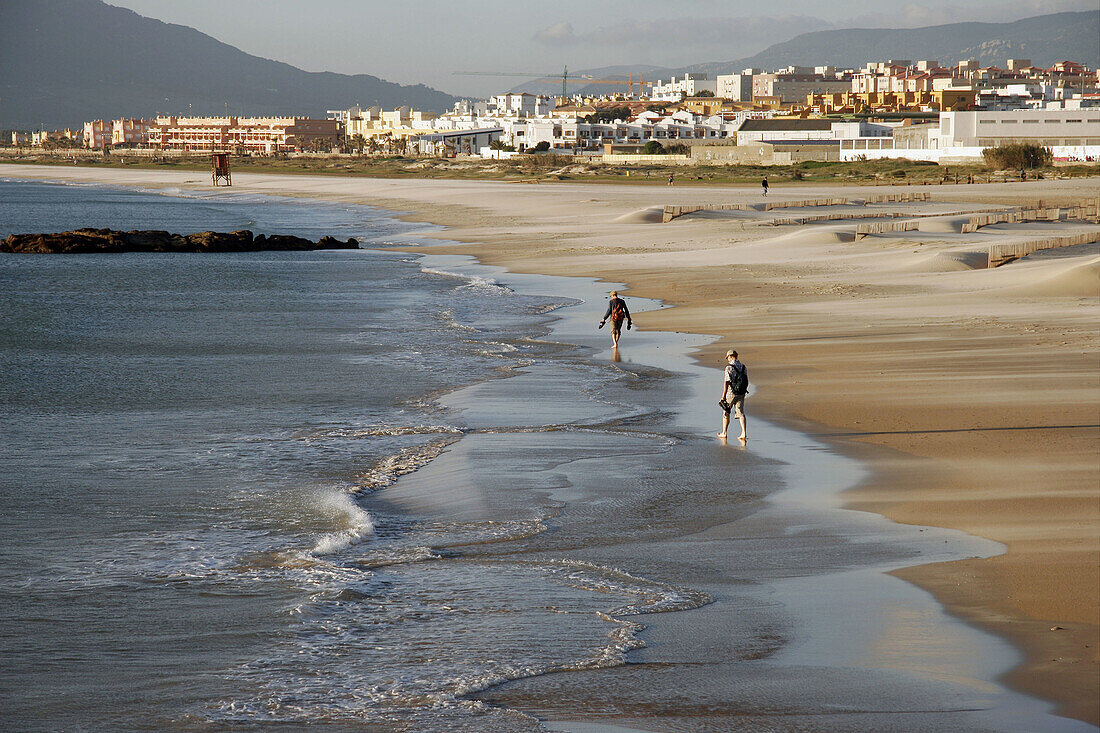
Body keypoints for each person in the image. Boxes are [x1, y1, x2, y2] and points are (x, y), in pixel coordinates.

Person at [718, 349, 748, 441]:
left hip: (731, 393)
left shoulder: (729, 368)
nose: (727, 359)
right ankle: (743, 433)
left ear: (731, 356)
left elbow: (726, 382)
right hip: (741, 392)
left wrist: (723, 395)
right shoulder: (743, 367)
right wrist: (744, 390)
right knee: (741, 413)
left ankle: (724, 432)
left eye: (728, 357)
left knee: (726, 412)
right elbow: (746, 380)